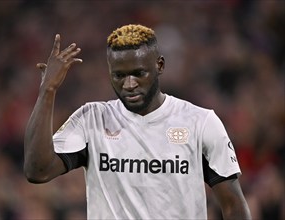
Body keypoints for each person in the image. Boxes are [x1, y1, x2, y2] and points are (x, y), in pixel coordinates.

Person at [24, 24, 251, 219]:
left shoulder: (200, 122)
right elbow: (37, 171)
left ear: (159, 65)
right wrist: (48, 90)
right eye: (119, 75)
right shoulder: (91, 119)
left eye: (138, 73)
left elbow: (233, 206)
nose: (129, 84)